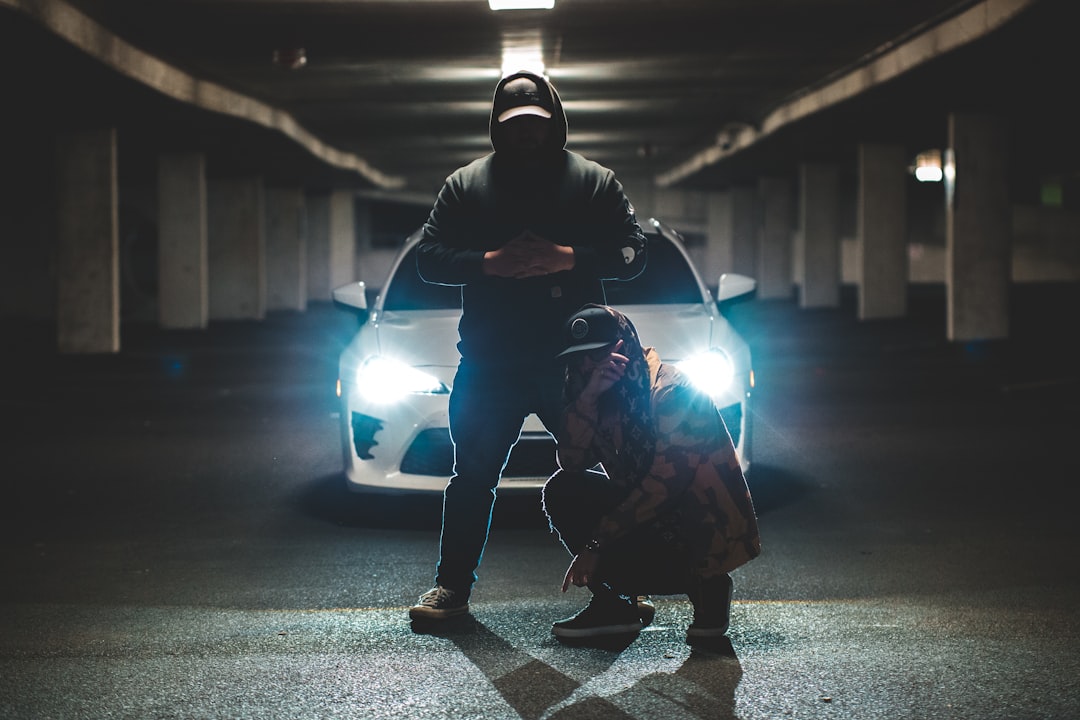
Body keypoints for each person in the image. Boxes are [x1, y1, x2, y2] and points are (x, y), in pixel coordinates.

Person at [408, 71, 648, 621]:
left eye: (536, 123)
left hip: (576, 364)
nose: (526, 133)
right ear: (496, 125)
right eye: (514, 124)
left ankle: (621, 588)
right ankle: (451, 592)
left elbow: (634, 254)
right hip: (492, 362)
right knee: (472, 477)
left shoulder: (592, 182)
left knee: (606, 467)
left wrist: (570, 257)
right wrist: (486, 264)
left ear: (554, 121)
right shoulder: (466, 185)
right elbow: (428, 258)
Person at [543, 304, 760, 642]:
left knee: (655, 509)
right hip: (644, 518)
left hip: (696, 528)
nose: (586, 366)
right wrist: (585, 403)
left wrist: (596, 544)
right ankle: (617, 603)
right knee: (563, 489)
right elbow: (570, 462)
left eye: (596, 355)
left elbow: (664, 488)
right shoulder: (597, 393)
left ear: (622, 349)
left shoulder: (673, 391)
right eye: (580, 358)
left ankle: (708, 584)